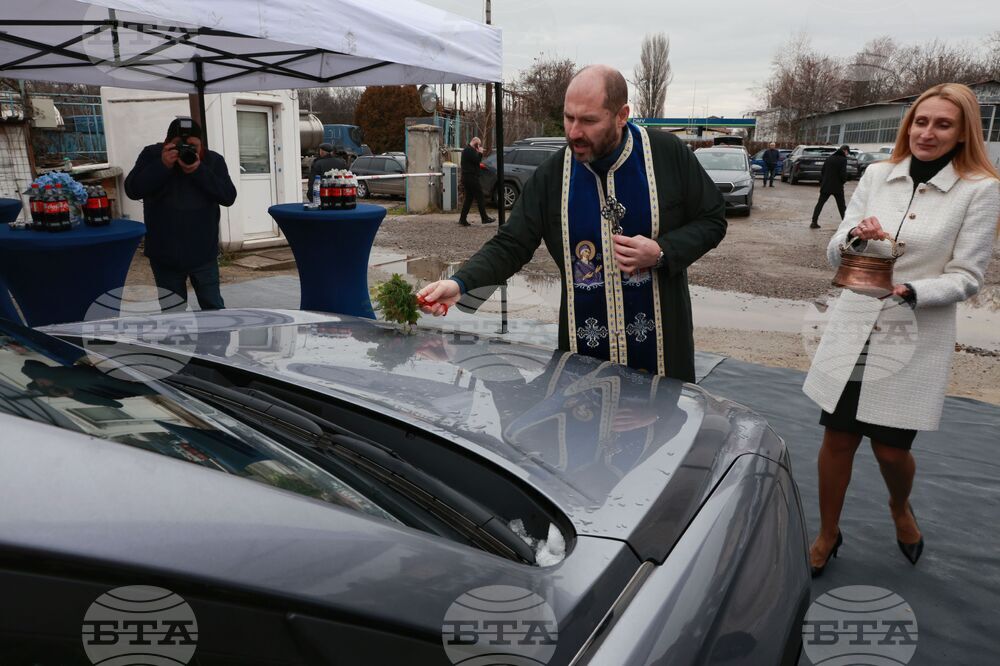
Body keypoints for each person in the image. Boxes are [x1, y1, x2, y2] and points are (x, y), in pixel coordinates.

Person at [418, 65, 727, 381]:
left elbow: (713, 218)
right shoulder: (553, 176)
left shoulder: (666, 155)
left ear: (622, 115)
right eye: (569, 118)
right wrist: (460, 284)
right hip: (583, 360)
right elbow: (511, 244)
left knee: (661, 429)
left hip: (662, 352)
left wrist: (661, 252)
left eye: (589, 121)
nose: (574, 132)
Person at [802, 83, 1000, 576]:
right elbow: (834, 251)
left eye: (942, 125)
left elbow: (969, 277)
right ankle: (828, 531)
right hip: (854, 327)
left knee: (891, 450)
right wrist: (853, 237)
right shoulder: (877, 175)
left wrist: (913, 293)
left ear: (962, 134)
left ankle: (899, 507)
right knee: (838, 440)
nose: (927, 133)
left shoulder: (980, 189)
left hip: (911, 334)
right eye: (920, 121)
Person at [124, 117, 237, 311]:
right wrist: (162, 166)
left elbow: (228, 197)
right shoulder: (152, 154)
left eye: (193, 146)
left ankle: (217, 342)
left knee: (213, 308)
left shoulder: (212, 160)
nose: (186, 150)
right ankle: (176, 341)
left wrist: (199, 170)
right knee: (172, 314)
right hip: (164, 254)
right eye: (179, 145)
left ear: (202, 145)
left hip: (203, 254)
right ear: (167, 142)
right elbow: (132, 190)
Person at [458, 136, 495, 226]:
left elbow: (474, 162)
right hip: (471, 177)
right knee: (480, 197)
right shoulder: (469, 150)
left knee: (469, 199)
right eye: (478, 145)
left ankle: (462, 219)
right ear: (475, 143)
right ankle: (484, 218)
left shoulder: (467, 150)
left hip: (468, 177)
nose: (479, 147)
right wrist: (480, 153)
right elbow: (477, 160)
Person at [811, 144, 849, 228]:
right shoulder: (843, 160)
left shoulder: (829, 158)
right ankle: (846, 224)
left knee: (820, 204)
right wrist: (843, 181)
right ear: (845, 151)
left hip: (826, 185)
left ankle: (814, 222)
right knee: (842, 206)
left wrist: (823, 181)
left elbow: (823, 171)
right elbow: (843, 173)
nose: (847, 154)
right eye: (847, 152)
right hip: (837, 186)